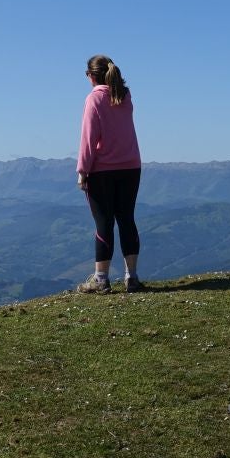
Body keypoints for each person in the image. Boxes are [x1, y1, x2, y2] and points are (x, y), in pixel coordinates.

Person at [75, 54, 143, 294]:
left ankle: (101, 279)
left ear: (91, 76)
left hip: (103, 169)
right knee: (127, 219)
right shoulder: (125, 96)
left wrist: (83, 170)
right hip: (131, 166)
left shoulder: (94, 99)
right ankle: (131, 277)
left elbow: (88, 138)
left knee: (103, 223)